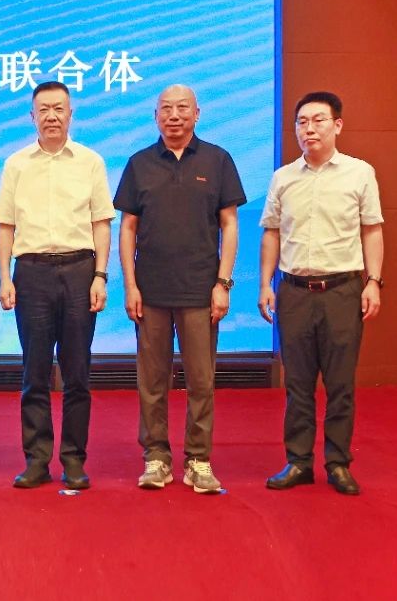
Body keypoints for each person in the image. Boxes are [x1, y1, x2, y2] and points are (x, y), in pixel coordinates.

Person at [114, 85, 246, 494]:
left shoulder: (217, 160)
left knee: (201, 381)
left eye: (182, 108)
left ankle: (198, 460)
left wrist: (223, 283)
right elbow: (128, 228)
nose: (174, 115)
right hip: (151, 291)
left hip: (200, 291)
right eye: (166, 109)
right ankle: (155, 457)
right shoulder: (139, 164)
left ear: (197, 113)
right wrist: (130, 285)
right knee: (152, 381)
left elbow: (229, 224)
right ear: (155, 116)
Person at [259, 91, 383, 496]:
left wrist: (374, 281)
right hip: (294, 291)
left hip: (342, 291)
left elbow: (372, 229)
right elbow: (272, 233)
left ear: (337, 125)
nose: (308, 129)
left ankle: (338, 463)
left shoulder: (359, 173)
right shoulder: (283, 177)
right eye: (301, 122)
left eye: (318, 120)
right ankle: (298, 461)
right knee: (297, 384)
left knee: (340, 384)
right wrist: (265, 284)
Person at [0, 80, 114, 490]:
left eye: (59, 108)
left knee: (78, 372)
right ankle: (37, 460)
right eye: (43, 109)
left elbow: (101, 223)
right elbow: (5, 226)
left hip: (80, 269)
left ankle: (74, 460)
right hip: (31, 273)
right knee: (36, 371)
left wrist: (100, 276)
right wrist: (5, 277)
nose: (51, 116)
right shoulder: (16, 164)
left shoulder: (90, 162)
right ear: (32, 116)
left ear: (70, 114)